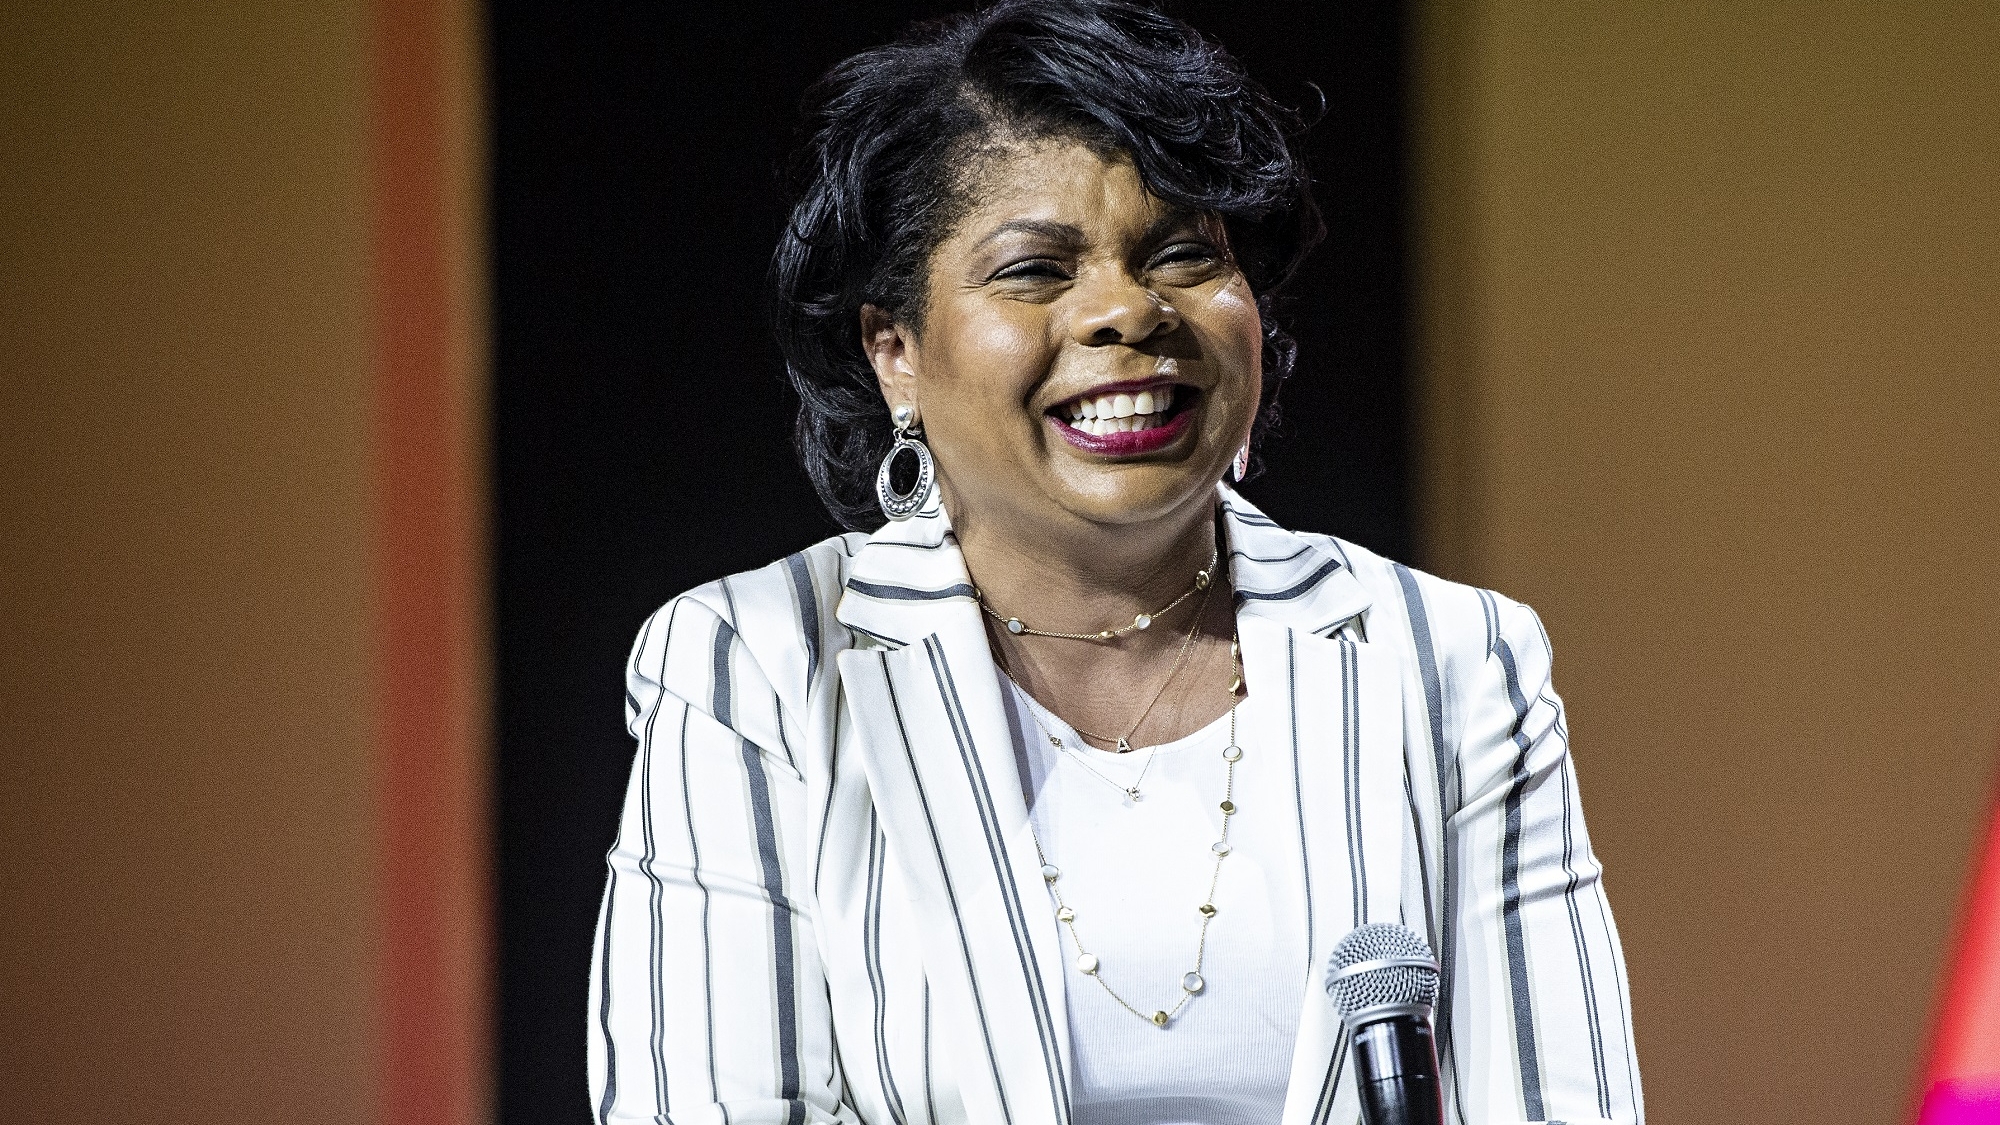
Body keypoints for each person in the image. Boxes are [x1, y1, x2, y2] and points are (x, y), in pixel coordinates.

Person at [587, 2, 1642, 1123]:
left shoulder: (1449, 658)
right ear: (893, 349)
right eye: (1035, 271)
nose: (1127, 312)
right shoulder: (754, 665)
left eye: (1184, 254)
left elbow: (1556, 1100)